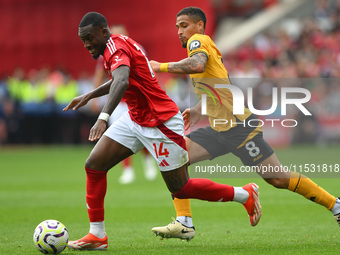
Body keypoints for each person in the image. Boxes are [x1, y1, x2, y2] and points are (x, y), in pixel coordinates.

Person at [64, 12, 262, 250]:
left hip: (161, 122)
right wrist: (89, 95)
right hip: (136, 118)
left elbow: (122, 80)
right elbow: (121, 78)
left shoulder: (115, 48)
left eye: (88, 38)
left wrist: (103, 117)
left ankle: (245, 194)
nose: (86, 44)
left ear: (103, 32)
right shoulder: (115, 45)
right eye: (82, 40)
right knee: (94, 165)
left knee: (181, 188)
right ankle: (97, 235)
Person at [150, 6, 340, 241]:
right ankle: (184, 222)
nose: (180, 31)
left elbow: (197, 65)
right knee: (175, 160)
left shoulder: (197, 41)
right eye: (177, 26)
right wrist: (200, 108)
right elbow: (218, 82)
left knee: (277, 178)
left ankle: (336, 205)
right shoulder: (205, 47)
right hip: (220, 127)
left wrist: (160, 66)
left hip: (241, 128)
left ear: (199, 26)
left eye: (184, 25)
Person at [92, 24, 158, 184]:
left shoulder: (135, 48)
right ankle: (127, 170)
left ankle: (148, 162)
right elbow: (100, 74)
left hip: (135, 99)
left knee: (141, 133)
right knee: (120, 137)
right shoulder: (106, 52)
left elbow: (146, 71)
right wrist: (94, 98)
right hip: (117, 101)